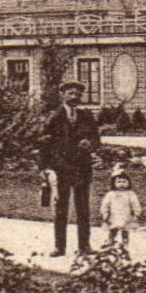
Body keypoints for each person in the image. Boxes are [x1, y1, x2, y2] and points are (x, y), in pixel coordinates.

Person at [41, 79, 100, 256]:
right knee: (61, 210)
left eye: (77, 94)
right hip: (61, 169)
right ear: (63, 95)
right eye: (70, 93)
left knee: (83, 210)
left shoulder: (86, 117)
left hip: (82, 168)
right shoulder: (54, 117)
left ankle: (84, 246)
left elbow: (97, 140)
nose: (74, 97)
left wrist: (90, 144)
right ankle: (60, 247)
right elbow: (43, 142)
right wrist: (44, 168)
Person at [99, 167, 141, 251]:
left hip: (125, 216)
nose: (121, 184)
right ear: (114, 183)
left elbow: (135, 204)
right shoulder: (111, 194)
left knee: (125, 231)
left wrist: (136, 213)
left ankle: (125, 244)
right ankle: (110, 241)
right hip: (113, 216)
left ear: (129, 183)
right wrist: (105, 213)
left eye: (124, 182)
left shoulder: (130, 194)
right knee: (112, 229)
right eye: (118, 182)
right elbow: (105, 204)